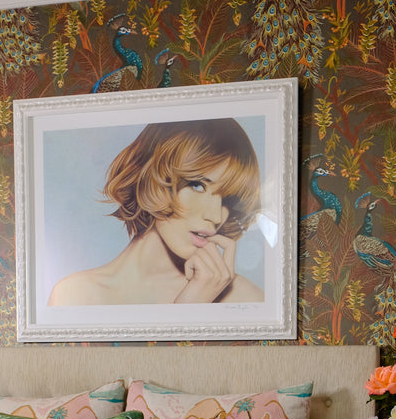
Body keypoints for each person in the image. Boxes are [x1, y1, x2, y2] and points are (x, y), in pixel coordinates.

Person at [48, 118, 264, 306]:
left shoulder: (247, 298)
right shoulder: (74, 295)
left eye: (226, 199)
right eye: (197, 185)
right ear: (150, 177)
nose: (216, 216)